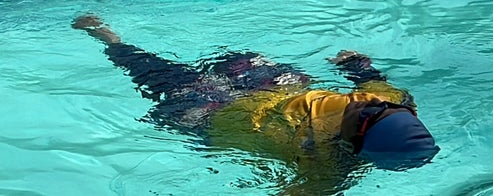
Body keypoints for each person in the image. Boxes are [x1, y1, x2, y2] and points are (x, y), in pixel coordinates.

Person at [72, 14, 439, 195]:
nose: (364, 106)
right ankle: (123, 38)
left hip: (246, 103)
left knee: (186, 70)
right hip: (245, 102)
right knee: (205, 67)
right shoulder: (376, 114)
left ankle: (110, 38)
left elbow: (368, 78)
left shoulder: (381, 112)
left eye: (363, 115)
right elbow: (371, 80)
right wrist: (355, 64)